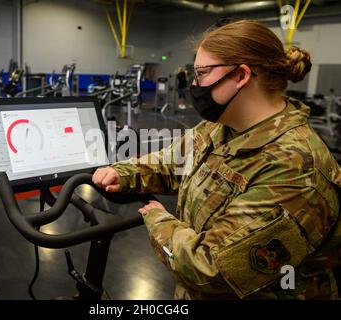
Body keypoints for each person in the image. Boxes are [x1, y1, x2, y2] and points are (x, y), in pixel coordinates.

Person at [93, 20, 341, 299]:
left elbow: (209, 269)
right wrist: (124, 173)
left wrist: (156, 218)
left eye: (201, 73)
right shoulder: (221, 126)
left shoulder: (295, 169)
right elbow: (171, 162)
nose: (195, 85)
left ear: (240, 75)